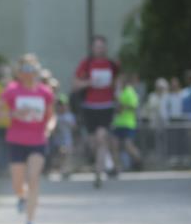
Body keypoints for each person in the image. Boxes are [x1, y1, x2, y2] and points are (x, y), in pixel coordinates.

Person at [2, 54, 54, 224]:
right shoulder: (12, 90)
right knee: (18, 183)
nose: (29, 73)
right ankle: (20, 197)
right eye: (25, 69)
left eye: (32, 69)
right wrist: (14, 114)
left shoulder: (45, 92)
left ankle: (30, 223)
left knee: (33, 179)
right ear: (19, 71)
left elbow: (51, 116)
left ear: (37, 70)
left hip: (38, 141)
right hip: (16, 140)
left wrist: (49, 128)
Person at [72, 35, 119, 188]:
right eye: (97, 46)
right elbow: (75, 84)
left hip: (107, 106)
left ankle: (98, 174)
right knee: (93, 143)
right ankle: (101, 164)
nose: (100, 49)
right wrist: (89, 82)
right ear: (92, 48)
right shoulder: (86, 64)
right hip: (90, 107)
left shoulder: (112, 64)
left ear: (105, 47)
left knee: (102, 137)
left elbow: (119, 83)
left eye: (102, 46)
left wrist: (117, 92)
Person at [110, 73, 142, 174]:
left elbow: (134, 106)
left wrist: (123, 106)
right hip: (117, 123)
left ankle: (139, 161)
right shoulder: (117, 92)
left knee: (128, 145)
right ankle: (116, 168)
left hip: (128, 123)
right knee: (114, 145)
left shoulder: (129, 91)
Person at [51, 96, 76, 179]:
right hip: (57, 140)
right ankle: (62, 169)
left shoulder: (70, 116)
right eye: (59, 105)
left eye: (63, 105)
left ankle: (67, 169)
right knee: (61, 154)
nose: (61, 107)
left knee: (66, 153)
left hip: (67, 139)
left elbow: (74, 127)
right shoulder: (55, 116)